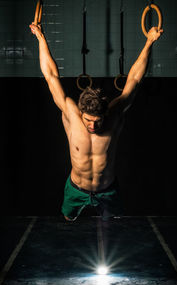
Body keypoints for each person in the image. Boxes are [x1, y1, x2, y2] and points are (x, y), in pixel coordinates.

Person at [29, 22, 163, 221]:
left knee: (118, 227)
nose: (92, 126)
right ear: (81, 112)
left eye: (97, 122)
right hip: (76, 189)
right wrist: (41, 38)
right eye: (88, 121)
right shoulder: (70, 112)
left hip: (108, 190)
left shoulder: (115, 113)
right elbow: (50, 75)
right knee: (67, 221)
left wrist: (149, 41)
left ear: (105, 114)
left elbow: (134, 79)